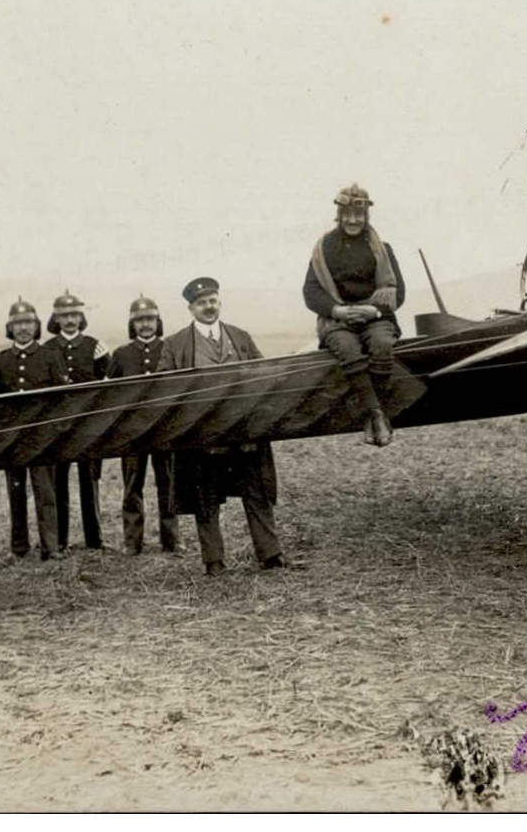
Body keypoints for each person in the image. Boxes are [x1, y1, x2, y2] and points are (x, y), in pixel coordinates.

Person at [157, 277, 286, 576]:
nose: (208, 307)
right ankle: (213, 561)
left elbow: (263, 375)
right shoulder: (175, 345)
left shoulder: (240, 337)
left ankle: (271, 555)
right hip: (203, 440)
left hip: (245, 436)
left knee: (257, 494)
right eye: (201, 303)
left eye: (212, 300)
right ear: (191, 308)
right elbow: (163, 385)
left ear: (219, 302)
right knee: (206, 499)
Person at [303, 183, 407, 447]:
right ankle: (375, 414)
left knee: (383, 345)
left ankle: (376, 411)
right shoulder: (323, 248)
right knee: (347, 349)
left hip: (375, 316)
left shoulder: (383, 248)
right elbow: (311, 291)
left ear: (366, 216)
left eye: (358, 215)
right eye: (347, 214)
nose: (352, 220)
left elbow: (399, 292)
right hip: (337, 318)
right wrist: (337, 310)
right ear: (339, 214)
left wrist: (373, 310)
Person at [0, 298, 67, 561]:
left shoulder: (50, 357)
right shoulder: (0, 361)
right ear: (10, 328)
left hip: (42, 439)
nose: (23, 328)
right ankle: (19, 547)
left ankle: (51, 547)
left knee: (46, 493)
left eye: (28, 323)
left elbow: (62, 400)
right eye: (17, 324)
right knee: (16, 493)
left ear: (36, 326)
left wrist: (54, 433)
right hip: (13, 440)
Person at [108, 295, 178, 554]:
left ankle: (171, 540)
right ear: (132, 324)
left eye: (149, 319)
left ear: (157, 321)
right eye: (139, 320)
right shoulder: (122, 355)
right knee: (132, 485)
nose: (145, 324)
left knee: (167, 484)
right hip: (132, 432)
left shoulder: (170, 348)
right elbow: (111, 393)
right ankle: (132, 542)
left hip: (164, 429)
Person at [42, 290, 110, 552]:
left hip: (88, 428)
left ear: (81, 317)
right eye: (64, 316)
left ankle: (94, 540)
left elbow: (110, 384)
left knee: (89, 482)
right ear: (56, 319)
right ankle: (60, 540)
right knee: (58, 483)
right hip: (58, 429)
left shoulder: (95, 346)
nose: (70, 320)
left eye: (74, 314)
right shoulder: (47, 349)